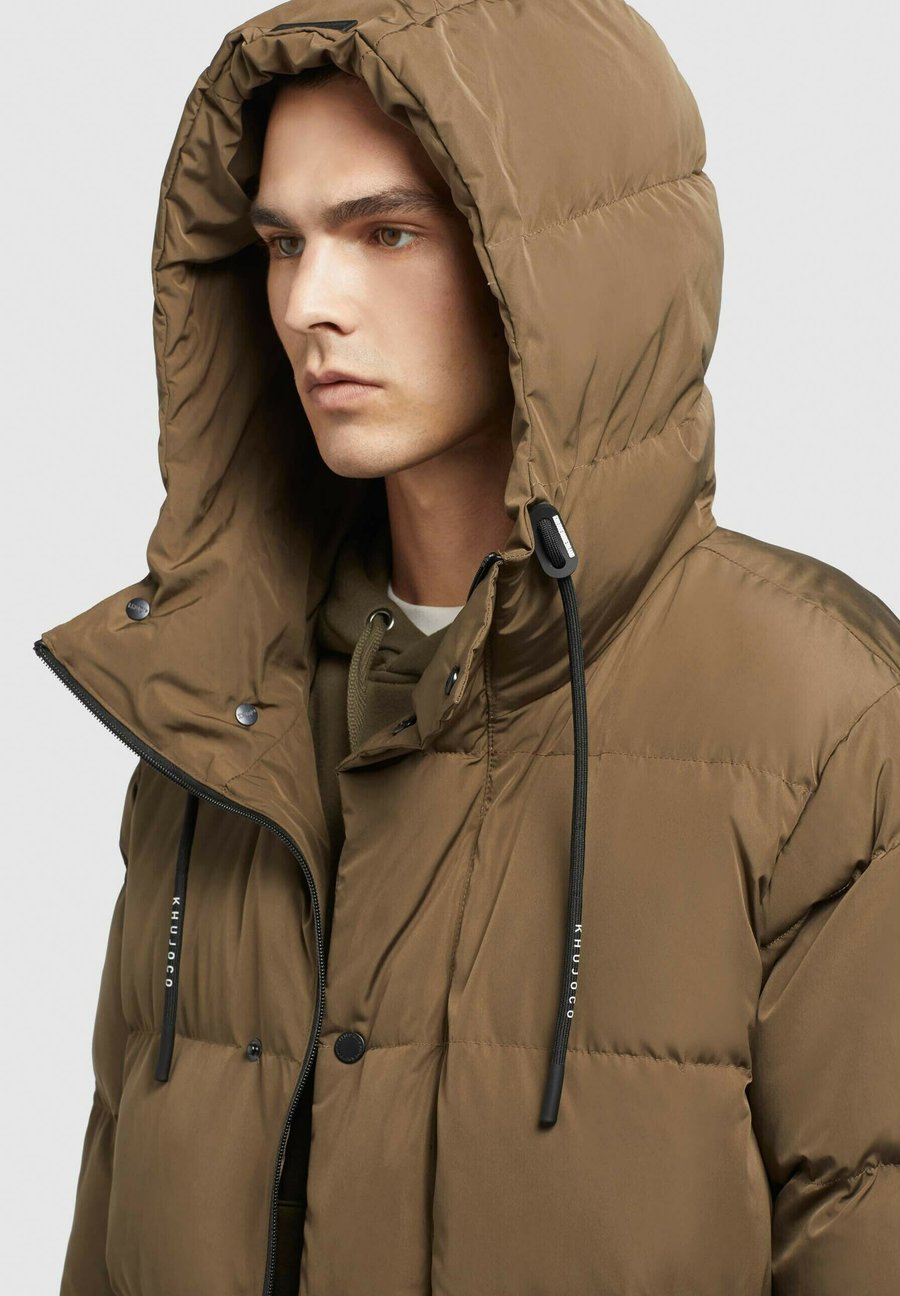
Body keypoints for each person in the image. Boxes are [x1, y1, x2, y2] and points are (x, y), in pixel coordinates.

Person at [33, 5, 899, 1295]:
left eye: (387, 233)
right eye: (282, 243)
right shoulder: (217, 724)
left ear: (558, 276)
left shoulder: (820, 720)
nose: (309, 305)